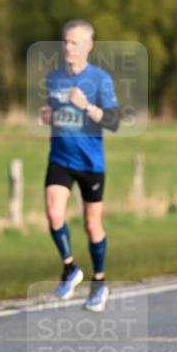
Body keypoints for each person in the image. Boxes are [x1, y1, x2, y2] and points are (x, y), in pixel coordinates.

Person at [40, 19, 120, 311]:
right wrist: (48, 115)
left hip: (90, 162)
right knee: (54, 214)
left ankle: (99, 283)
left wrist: (86, 105)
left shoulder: (100, 79)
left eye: (75, 42)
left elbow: (113, 122)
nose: (68, 47)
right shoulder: (54, 78)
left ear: (89, 46)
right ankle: (70, 268)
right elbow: (55, 112)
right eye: (65, 42)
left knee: (91, 224)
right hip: (60, 158)